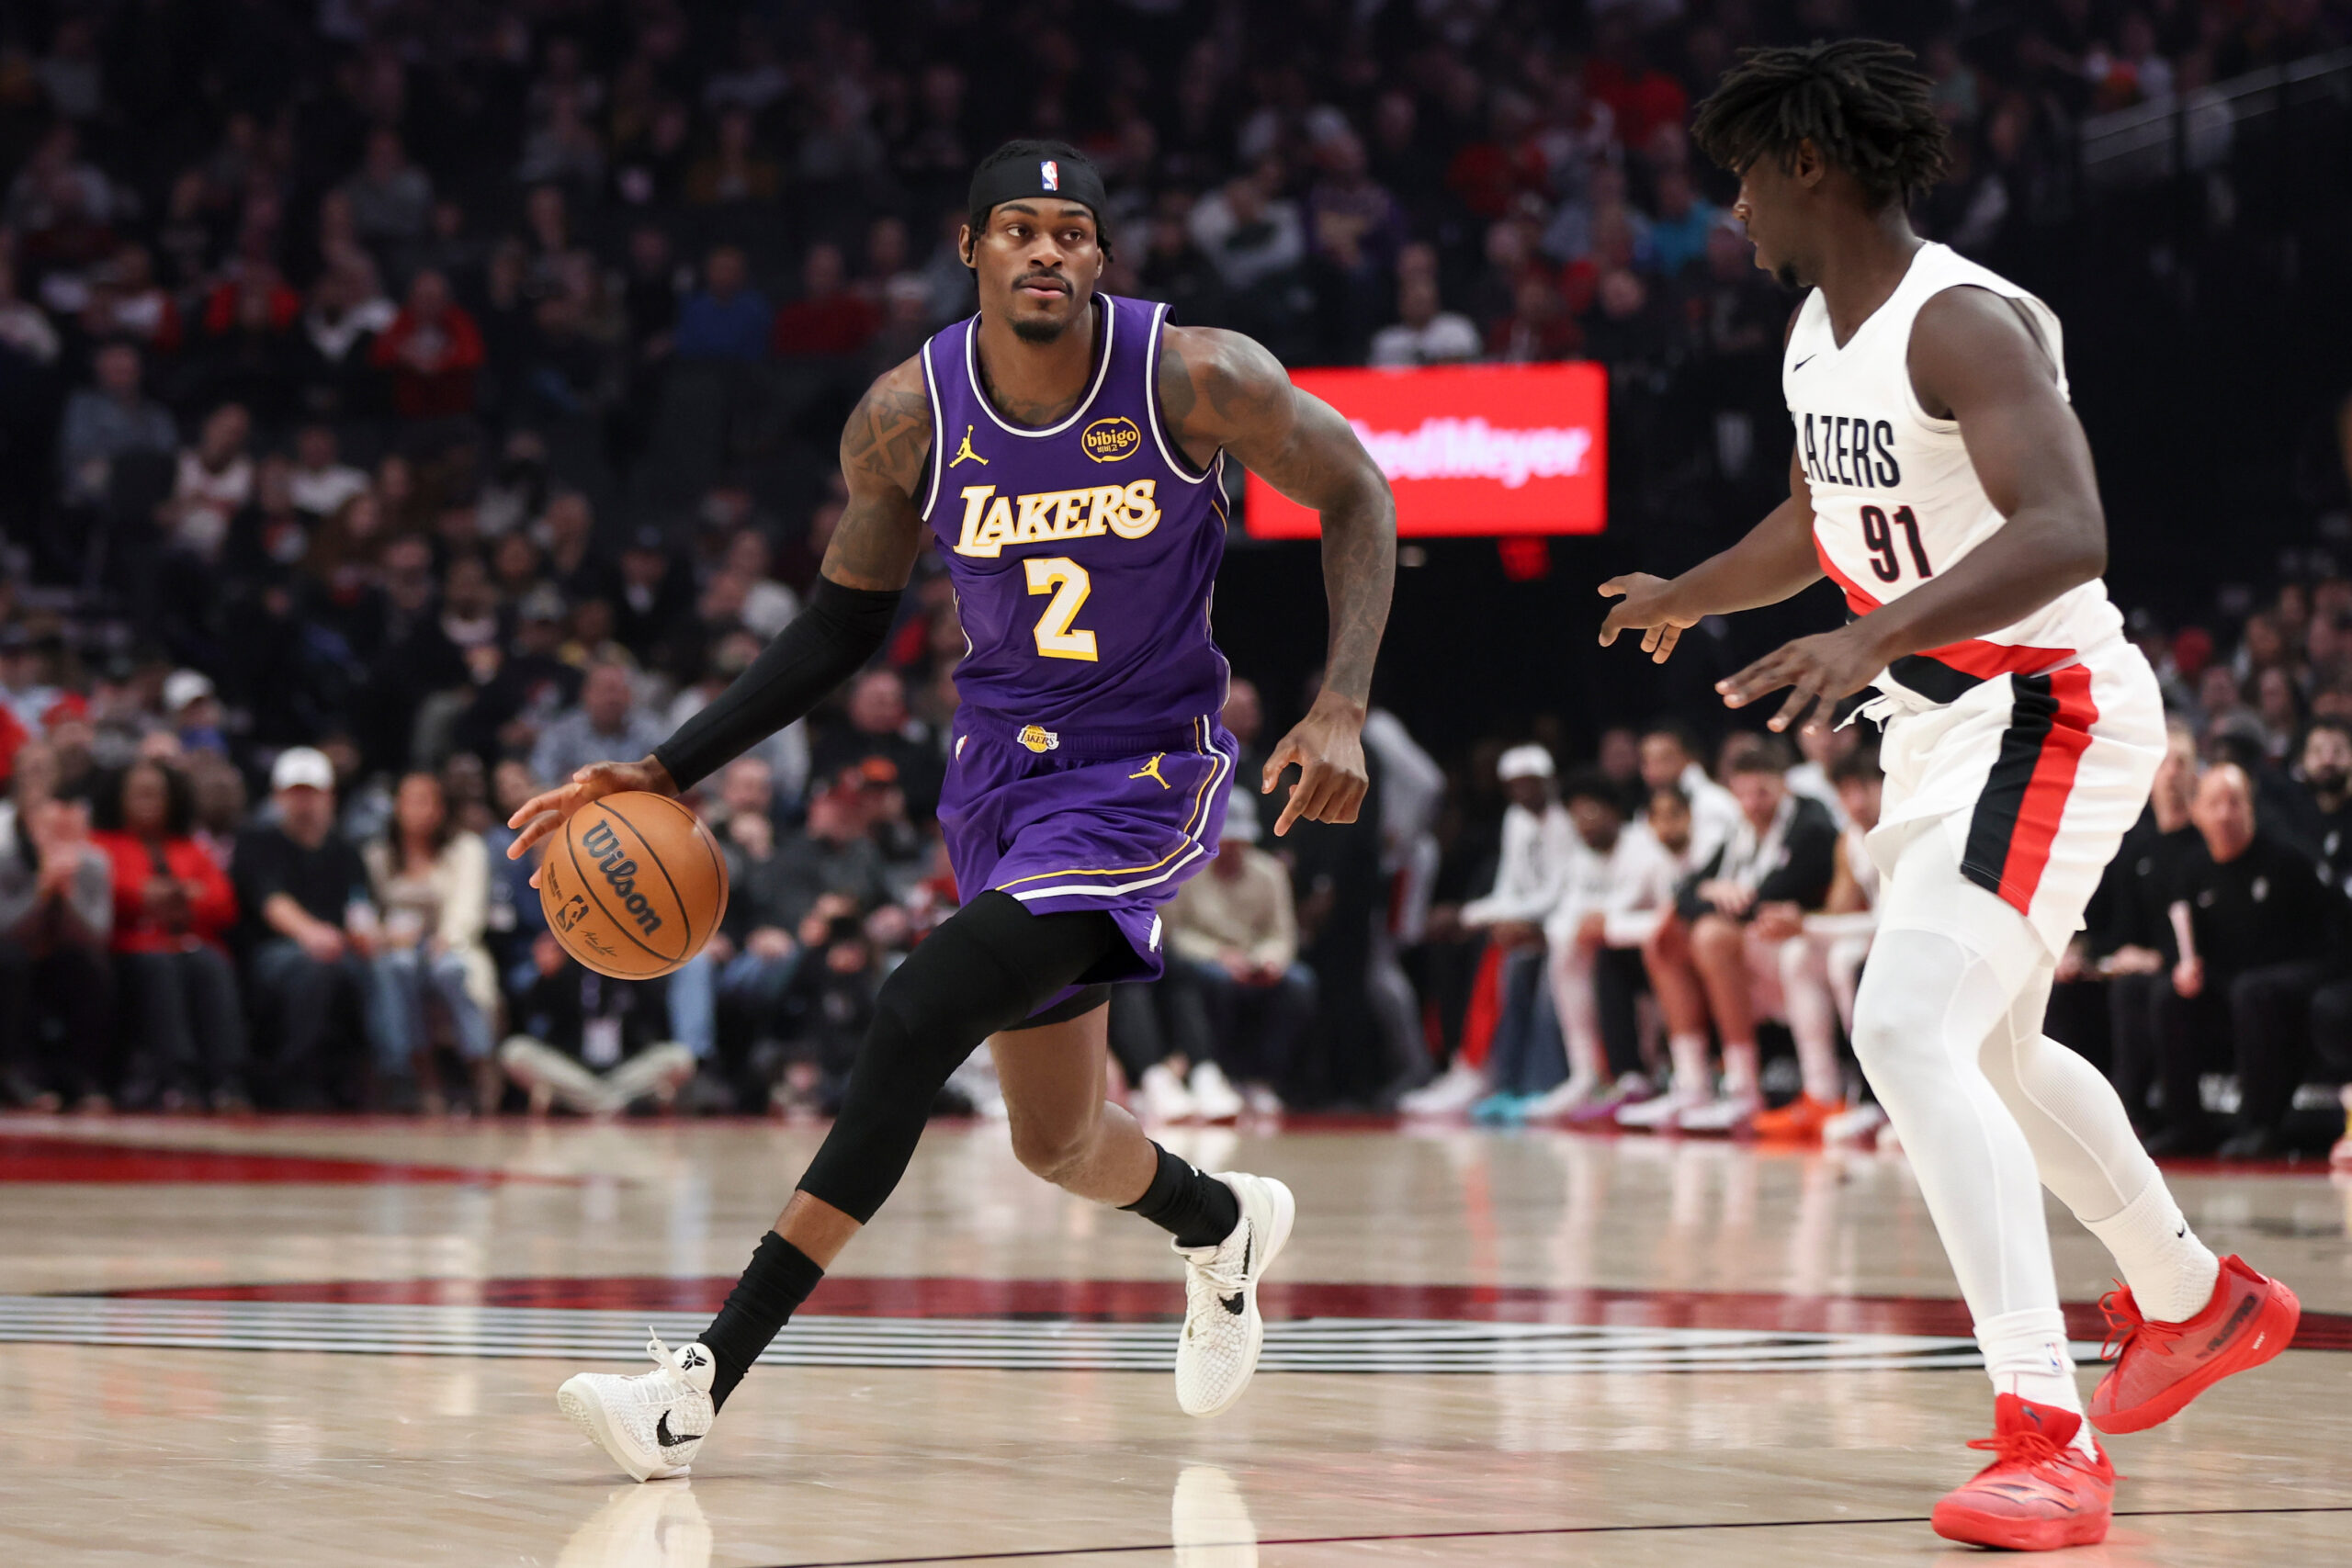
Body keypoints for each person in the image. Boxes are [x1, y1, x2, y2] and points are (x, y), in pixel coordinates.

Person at [511, 139, 1393, 1482]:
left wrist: (1342, 701)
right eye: (1019, 228)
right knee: (1058, 1140)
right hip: (996, 784)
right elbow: (837, 626)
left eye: (1072, 232)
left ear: (1102, 259)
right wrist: (668, 769)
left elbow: (1357, 490)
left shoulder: (1196, 376)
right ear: (970, 247)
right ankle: (1222, 1222)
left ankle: (694, 1385)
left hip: (1139, 774)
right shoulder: (904, 418)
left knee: (917, 1010)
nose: (1047, 250)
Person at [1600, 42, 2294, 1551]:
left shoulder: (1963, 318)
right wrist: (1692, 591)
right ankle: (2196, 1299)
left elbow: (2069, 527)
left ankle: (2049, 1432)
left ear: (1810, 165)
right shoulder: (1816, 333)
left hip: (2045, 706)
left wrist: (1869, 636)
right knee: (1996, 1049)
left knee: (1907, 1027)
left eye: (1744, 176)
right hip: (1940, 727)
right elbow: (1820, 518)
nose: (1732, 209)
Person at [1621, 737, 1838, 1133]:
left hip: (1798, 943)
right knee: (1663, 942)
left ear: (1783, 785)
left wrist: (1713, 896)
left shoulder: (1811, 825)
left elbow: (1763, 898)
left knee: (1710, 936)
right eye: (1743, 795)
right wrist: (1712, 890)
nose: (1752, 804)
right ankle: (1692, 1083)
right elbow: (1688, 891)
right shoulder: (1740, 829)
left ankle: (1743, 1087)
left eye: (1762, 793)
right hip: (1756, 944)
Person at [2151, 763, 2343, 1158]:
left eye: (2234, 803)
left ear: (2251, 809)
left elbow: (2333, 933)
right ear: (2197, 813)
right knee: (2168, 995)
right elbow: (2177, 944)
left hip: (2297, 978)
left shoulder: (2288, 860)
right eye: (2214, 804)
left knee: (2251, 991)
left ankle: (2260, 1126)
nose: (2225, 814)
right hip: (2233, 985)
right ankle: (2185, 1124)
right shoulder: (2192, 869)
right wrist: (2184, 968)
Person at [91, 760, 245, 1111]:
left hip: (188, 944)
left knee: (211, 965)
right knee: (159, 967)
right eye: (139, 793)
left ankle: (226, 1078)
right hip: (131, 947)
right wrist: (145, 896)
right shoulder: (102, 843)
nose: (149, 801)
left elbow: (224, 903)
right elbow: (103, 892)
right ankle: (174, 1075)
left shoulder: (190, 848)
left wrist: (180, 900)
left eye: (157, 793)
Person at [234, 747, 378, 1110]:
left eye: (312, 793)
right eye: (295, 793)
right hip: (274, 951)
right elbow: (272, 902)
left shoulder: (346, 851)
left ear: (330, 797)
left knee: (383, 971)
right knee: (314, 968)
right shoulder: (258, 843)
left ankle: (381, 1078)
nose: (304, 803)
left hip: (339, 949)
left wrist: (367, 935)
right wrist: (311, 934)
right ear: (278, 797)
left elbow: (360, 906)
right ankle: (296, 1079)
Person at [1162, 792, 1312, 1116]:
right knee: (1212, 981)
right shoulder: (1186, 869)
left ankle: (1262, 1081)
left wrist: (1268, 960)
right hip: (1207, 961)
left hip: (1256, 960)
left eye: (1238, 841)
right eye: (1225, 840)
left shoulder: (1270, 872)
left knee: (1299, 985)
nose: (1231, 849)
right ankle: (1216, 1074)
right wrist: (1220, 955)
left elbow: (1281, 934)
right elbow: (1175, 934)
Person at [363, 772, 499, 1115]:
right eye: (411, 801)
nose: (420, 810)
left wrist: (447, 938)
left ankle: (481, 1068)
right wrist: (386, 936)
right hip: (399, 949)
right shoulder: (378, 856)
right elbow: (368, 914)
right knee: (398, 968)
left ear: (442, 809)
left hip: (453, 943)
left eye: (428, 801)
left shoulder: (466, 848)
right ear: (397, 807)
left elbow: (469, 906)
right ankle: (424, 1078)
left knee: (451, 971)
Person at [0, 758, 114, 1111]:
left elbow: (97, 935)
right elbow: (4, 930)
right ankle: (14, 1071)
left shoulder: (92, 863)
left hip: (62, 952)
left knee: (89, 966)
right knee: (11, 962)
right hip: (14, 953)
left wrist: (66, 894)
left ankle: (82, 1075)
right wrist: (40, 892)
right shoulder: (6, 860)